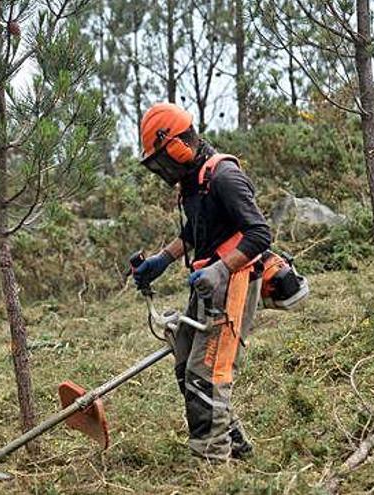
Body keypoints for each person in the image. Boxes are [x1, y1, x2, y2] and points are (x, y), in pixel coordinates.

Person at [132, 102, 272, 461]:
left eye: (164, 161)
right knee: (185, 362)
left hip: (234, 279)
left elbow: (259, 233)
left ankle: (212, 463)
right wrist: (162, 259)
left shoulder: (224, 176)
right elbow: (194, 231)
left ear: (180, 146)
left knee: (205, 373)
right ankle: (235, 445)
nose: (164, 170)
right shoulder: (192, 182)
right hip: (206, 283)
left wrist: (221, 269)